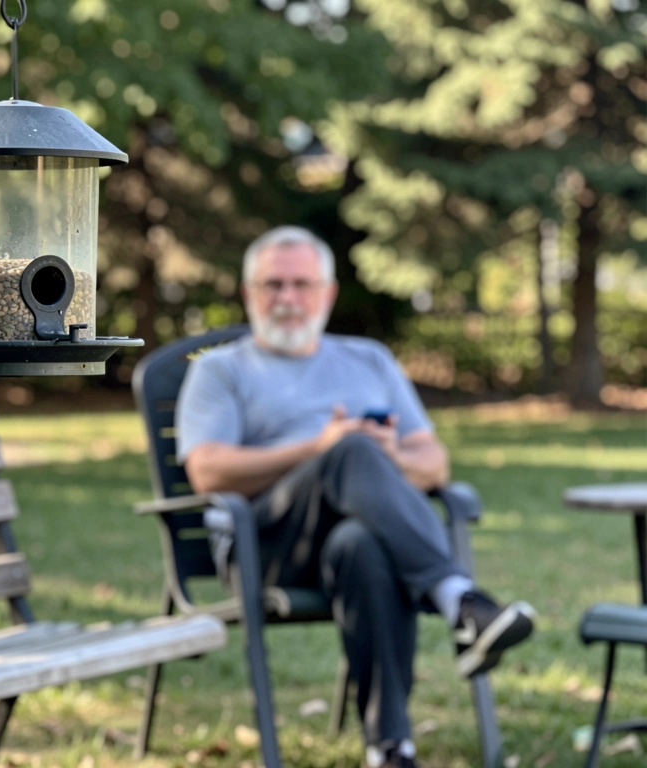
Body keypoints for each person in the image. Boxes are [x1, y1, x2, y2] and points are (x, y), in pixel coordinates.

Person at [175, 226, 535, 768]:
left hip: (351, 537)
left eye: (302, 284)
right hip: (265, 546)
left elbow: (433, 463)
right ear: (248, 292)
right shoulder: (219, 370)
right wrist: (318, 450)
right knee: (350, 450)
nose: (288, 298)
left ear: (328, 293)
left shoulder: (370, 360)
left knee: (361, 541)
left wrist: (388, 458)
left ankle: (390, 748)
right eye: (273, 285)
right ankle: (459, 599)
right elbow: (207, 472)